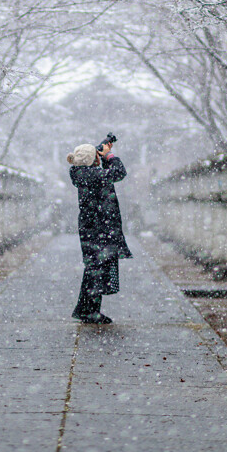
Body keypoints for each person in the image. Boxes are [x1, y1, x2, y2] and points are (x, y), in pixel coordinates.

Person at [66, 137, 131, 324]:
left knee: (94, 269)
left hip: (93, 227)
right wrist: (109, 155)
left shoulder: (84, 173)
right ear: (91, 160)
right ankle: (88, 311)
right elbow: (119, 172)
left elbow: (104, 172)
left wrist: (99, 156)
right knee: (95, 270)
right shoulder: (92, 175)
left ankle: (88, 310)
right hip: (98, 228)